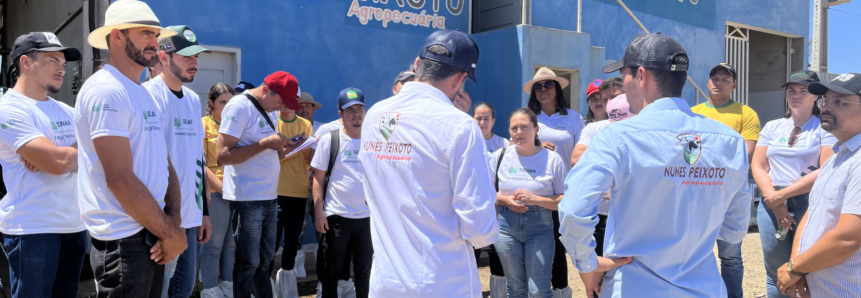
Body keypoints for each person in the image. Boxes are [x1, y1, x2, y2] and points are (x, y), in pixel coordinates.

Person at [559, 33, 751, 297]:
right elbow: (734, 229)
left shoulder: (618, 136)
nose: (624, 87)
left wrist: (588, 264)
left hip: (633, 287)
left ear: (641, 75)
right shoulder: (731, 141)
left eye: (624, 75)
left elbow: (573, 211)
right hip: (703, 287)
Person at [357, 29, 498, 297]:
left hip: (385, 282)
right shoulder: (461, 127)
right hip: (442, 282)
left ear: (418, 65)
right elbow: (479, 228)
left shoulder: (375, 115)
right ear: (460, 78)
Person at [75, 1, 187, 296]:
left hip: (151, 234)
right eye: (145, 34)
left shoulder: (141, 93)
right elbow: (119, 178)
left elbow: (165, 163)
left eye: (155, 35)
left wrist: (173, 222)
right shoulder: (106, 90)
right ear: (116, 36)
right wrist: (169, 231)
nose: (154, 42)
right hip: (123, 243)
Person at [0, 32, 84, 298]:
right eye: (52, 60)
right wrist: (61, 156)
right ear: (25, 62)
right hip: (33, 230)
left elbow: (101, 151)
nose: (62, 67)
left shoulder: (67, 111)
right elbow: (57, 162)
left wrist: (59, 156)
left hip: (74, 226)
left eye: (63, 61)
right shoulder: (9, 109)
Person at [217, 71, 302, 298]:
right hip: (247, 198)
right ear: (266, 89)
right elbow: (223, 156)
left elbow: (269, 156)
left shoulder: (269, 109)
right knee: (248, 263)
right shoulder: (239, 107)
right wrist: (265, 143)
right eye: (280, 101)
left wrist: (289, 148)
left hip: (269, 197)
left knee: (265, 262)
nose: (282, 107)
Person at [750, 70, 835, 298]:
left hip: (809, 202)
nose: (796, 95)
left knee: (808, 269)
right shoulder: (772, 127)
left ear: (816, 96)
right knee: (775, 270)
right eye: (791, 90)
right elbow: (758, 166)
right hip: (771, 202)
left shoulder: (823, 128)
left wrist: (783, 195)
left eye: (803, 90)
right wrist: (775, 201)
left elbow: (825, 169)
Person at [775, 73, 861, 297]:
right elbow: (812, 215)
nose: (826, 107)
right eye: (825, 100)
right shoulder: (836, 158)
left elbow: (847, 238)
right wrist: (798, 266)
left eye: (839, 101)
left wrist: (794, 269)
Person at [143, 25, 213, 298]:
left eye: (196, 56)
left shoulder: (194, 100)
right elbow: (148, 163)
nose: (194, 62)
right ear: (163, 57)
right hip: (163, 219)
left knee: (182, 292)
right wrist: (161, 222)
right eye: (186, 56)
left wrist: (204, 211)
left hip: (191, 218)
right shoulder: (148, 96)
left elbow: (197, 159)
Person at [691, 62, 761, 298]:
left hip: (731, 194)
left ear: (734, 84)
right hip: (697, 193)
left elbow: (746, 153)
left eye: (724, 78)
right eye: (714, 78)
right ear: (708, 82)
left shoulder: (745, 113)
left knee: (730, 257)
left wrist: (708, 161)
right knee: (692, 252)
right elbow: (687, 154)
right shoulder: (692, 113)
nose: (718, 82)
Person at [490, 108, 567, 298]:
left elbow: (564, 200)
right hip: (506, 227)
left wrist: (536, 200)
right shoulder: (500, 156)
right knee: (515, 288)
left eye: (524, 127)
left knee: (539, 290)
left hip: (540, 227)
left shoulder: (552, 159)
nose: (519, 132)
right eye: (514, 128)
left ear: (536, 129)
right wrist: (506, 200)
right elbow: (487, 193)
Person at [522, 67, 585, 296]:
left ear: (557, 89)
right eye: (538, 86)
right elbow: (514, 149)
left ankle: (559, 292)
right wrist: (535, 148)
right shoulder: (529, 119)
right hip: (534, 193)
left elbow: (584, 156)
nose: (543, 90)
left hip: (562, 195)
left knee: (559, 249)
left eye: (548, 85)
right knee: (533, 247)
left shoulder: (574, 118)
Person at [312, 87, 373, 298]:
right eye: (350, 109)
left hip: (367, 218)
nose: (356, 113)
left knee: (364, 271)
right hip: (337, 217)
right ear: (340, 112)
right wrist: (319, 212)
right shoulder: (330, 139)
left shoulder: (374, 140)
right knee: (332, 270)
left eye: (360, 108)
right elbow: (318, 178)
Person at [569, 94, 636, 261]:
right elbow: (576, 160)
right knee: (600, 272)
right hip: (600, 214)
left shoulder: (643, 137)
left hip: (632, 217)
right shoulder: (598, 130)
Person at [273, 87, 314, 297]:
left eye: (294, 97)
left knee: (291, 241)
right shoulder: (272, 120)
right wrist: (291, 148)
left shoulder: (305, 125)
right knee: (271, 241)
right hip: (274, 191)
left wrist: (308, 146)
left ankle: (287, 284)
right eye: (285, 97)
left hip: (298, 191)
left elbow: (309, 159)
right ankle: (266, 284)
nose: (289, 101)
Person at [200, 82, 238, 298]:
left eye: (231, 102)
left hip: (237, 192)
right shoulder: (204, 124)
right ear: (212, 103)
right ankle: (209, 290)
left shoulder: (236, 126)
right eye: (223, 102)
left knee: (231, 246)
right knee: (213, 245)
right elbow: (200, 163)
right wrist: (220, 187)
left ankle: (229, 286)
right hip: (216, 192)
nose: (227, 106)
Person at [470, 101, 508, 298]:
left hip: (496, 210)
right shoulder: (465, 142)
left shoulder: (504, 145)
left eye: (486, 118)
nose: (482, 122)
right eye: (478, 118)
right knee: (471, 256)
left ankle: (499, 293)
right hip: (470, 209)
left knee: (497, 256)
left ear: (493, 121)